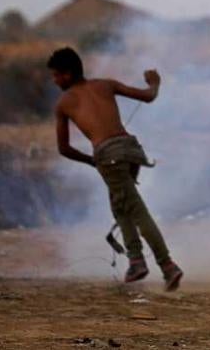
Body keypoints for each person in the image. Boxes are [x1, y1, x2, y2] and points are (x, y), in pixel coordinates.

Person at [48, 47, 183, 289]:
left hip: (109, 157)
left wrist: (92, 161)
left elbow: (64, 149)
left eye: (56, 75)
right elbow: (149, 96)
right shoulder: (105, 85)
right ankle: (136, 261)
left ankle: (167, 265)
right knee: (120, 206)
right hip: (131, 150)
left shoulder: (64, 103)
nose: (54, 80)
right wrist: (154, 82)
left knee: (136, 210)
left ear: (67, 74)